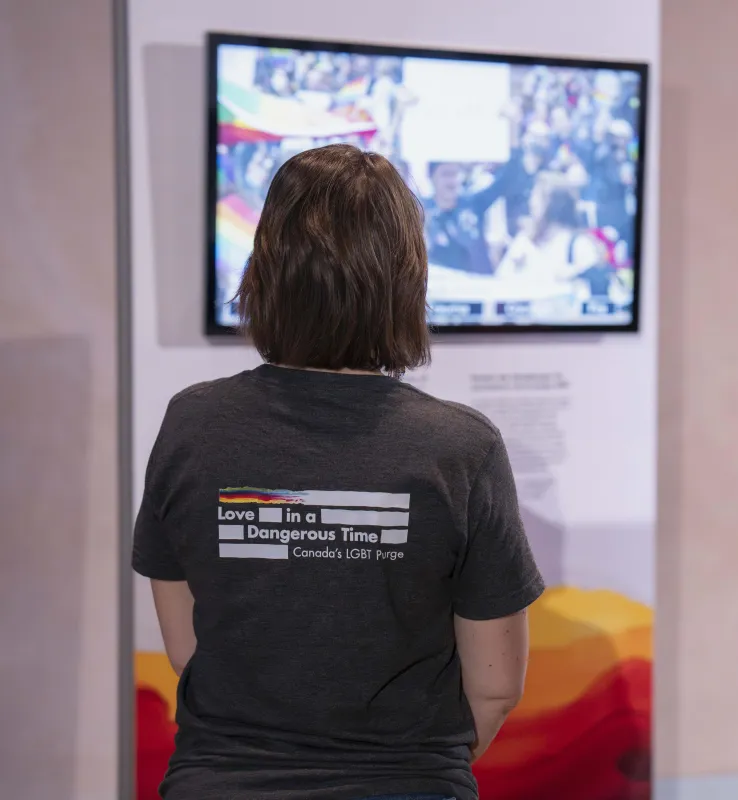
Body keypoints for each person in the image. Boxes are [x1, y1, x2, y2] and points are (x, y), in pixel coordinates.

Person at [133, 144, 544, 800]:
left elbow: (188, 651)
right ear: (405, 278)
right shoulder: (461, 447)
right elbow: (494, 689)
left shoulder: (193, 424)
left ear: (266, 269)